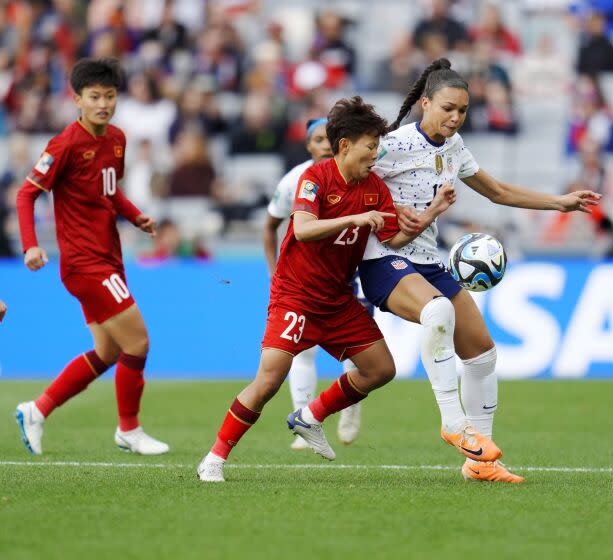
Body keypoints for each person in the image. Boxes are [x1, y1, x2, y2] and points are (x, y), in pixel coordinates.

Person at [359, 58, 601, 483]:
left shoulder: (454, 148)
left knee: (483, 355)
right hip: (383, 258)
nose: (455, 117)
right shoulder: (391, 145)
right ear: (426, 103)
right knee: (438, 313)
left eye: (463, 111)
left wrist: (558, 201)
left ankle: (480, 463)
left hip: (428, 261)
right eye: (448, 108)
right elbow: (350, 183)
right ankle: (453, 422)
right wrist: (392, 209)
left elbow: (499, 191)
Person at [197, 96, 457, 482]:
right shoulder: (316, 178)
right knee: (269, 379)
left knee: (381, 369)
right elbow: (302, 228)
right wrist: (355, 217)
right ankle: (215, 458)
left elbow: (395, 240)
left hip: (337, 300)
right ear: (346, 145)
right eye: (371, 145)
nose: (377, 153)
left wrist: (432, 213)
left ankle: (310, 415)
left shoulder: (374, 190)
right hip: (296, 296)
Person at [14, 58, 170, 456]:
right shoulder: (64, 144)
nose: (103, 103)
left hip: (109, 257)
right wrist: (31, 244)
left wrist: (136, 217)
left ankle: (37, 409)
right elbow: (26, 193)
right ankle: (128, 429)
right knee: (138, 343)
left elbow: (109, 190)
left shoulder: (116, 138)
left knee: (110, 351)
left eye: (110, 96)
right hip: (85, 263)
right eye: (94, 96)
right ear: (77, 99)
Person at [262, 117, 366, 449]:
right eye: (318, 139)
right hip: (305, 279)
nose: (324, 144)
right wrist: (273, 270)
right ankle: (302, 420)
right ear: (308, 145)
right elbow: (269, 225)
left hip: (348, 274)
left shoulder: (358, 175)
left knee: (358, 354)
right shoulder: (296, 180)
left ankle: (351, 404)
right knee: (302, 351)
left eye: (329, 138)